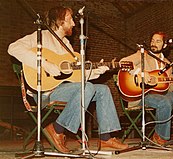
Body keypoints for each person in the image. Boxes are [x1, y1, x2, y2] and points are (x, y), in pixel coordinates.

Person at [8, 6, 128, 153]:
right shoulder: (42, 36)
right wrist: (44, 64)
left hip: (66, 89)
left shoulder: (67, 45)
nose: (73, 24)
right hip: (45, 92)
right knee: (87, 88)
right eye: (70, 19)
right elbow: (13, 48)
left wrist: (96, 71)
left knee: (102, 89)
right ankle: (57, 129)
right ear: (60, 21)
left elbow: (75, 75)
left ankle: (105, 138)